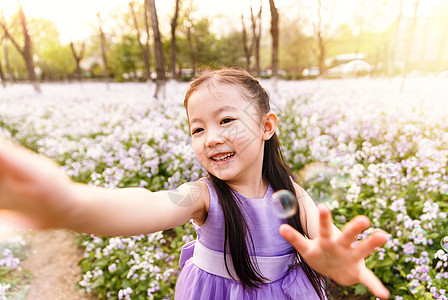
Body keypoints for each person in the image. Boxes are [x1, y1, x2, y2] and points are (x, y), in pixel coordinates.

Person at [0, 68, 390, 299]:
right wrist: (70, 205)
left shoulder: (291, 192)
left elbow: (332, 243)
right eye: (197, 128)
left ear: (267, 126)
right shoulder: (202, 195)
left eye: (226, 121)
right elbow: (147, 205)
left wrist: (336, 264)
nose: (211, 138)